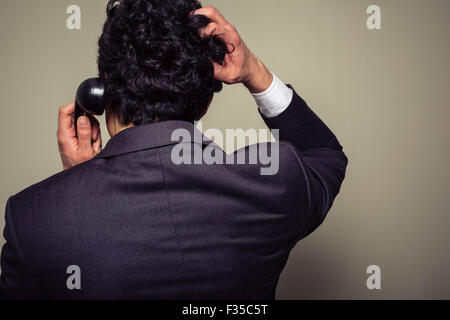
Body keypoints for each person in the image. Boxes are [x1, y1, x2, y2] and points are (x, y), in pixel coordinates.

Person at [0, 0, 347, 299]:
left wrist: (76, 183)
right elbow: (325, 154)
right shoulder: (274, 180)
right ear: (206, 98)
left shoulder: (32, 217)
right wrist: (253, 70)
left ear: (101, 89)